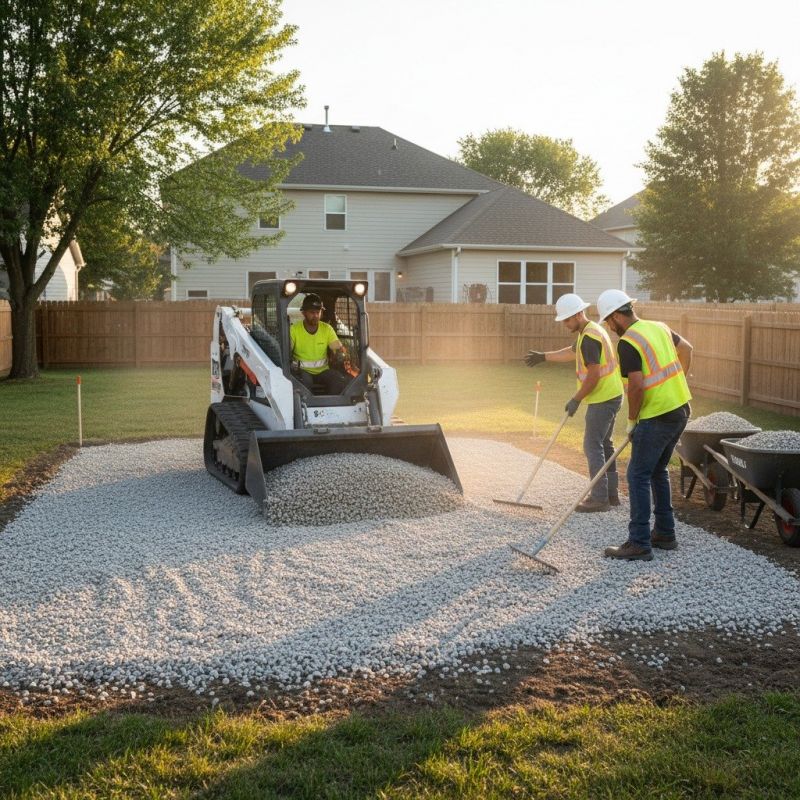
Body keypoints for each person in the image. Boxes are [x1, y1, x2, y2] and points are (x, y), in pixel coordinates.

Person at [596, 289, 693, 561]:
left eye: (608, 321)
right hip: (681, 408)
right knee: (658, 470)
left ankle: (638, 541)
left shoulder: (627, 342)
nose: (609, 327)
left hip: (657, 416)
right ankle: (665, 533)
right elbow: (687, 349)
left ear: (616, 316)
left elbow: (636, 386)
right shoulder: (659, 327)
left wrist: (631, 421)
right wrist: (680, 380)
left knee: (637, 474)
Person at [525, 293, 624, 512]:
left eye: (568, 319)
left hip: (603, 397)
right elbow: (571, 352)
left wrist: (576, 400)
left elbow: (594, 375)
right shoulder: (589, 332)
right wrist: (544, 356)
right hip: (612, 394)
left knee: (592, 445)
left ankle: (599, 498)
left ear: (579, 314)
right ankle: (611, 494)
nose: (565, 324)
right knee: (605, 444)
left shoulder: (589, 337)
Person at [290, 293, 348, 394]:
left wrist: (339, 353)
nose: (316, 316)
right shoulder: (294, 330)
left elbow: (337, 347)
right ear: (304, 313)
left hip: (323, 371)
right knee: (303, 383)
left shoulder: (327, 329)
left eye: (318, 312)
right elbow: (287, 352)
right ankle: (304, 407)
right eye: (312, 312)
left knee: (338, 379)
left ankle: (331, 406)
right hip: (303, 371)